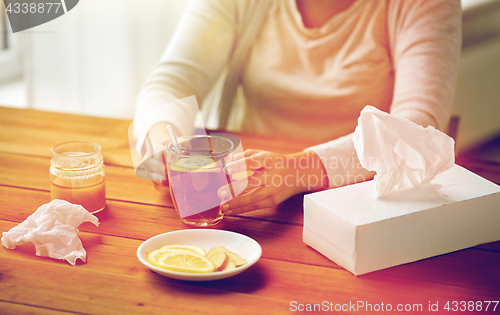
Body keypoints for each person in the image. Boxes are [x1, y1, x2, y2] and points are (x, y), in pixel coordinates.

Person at [133, 0, 462, 216]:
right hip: (248, 200)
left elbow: (416, 127)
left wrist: (298, 170)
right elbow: (175, 79)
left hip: (359, 203)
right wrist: (164, 142)